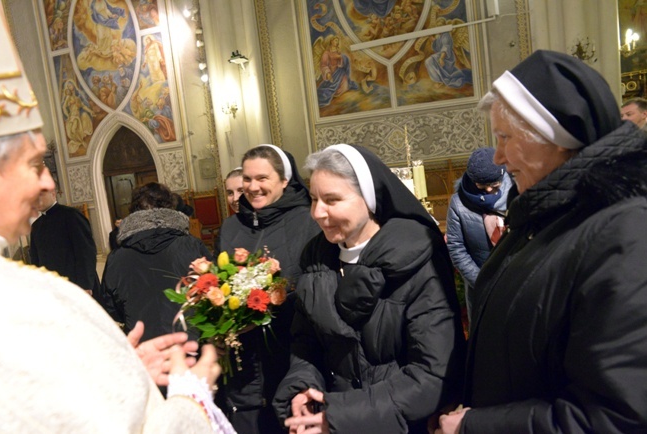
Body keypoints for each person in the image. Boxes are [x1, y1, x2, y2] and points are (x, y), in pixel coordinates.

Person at [0, 9, 234, 432]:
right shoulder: (16, 303)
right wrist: (191, 403)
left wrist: (116, 373)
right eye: (35, 164)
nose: (50, 180)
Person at [436, 50, 647, 433]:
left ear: (557, 140)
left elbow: (616, 418)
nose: (498, 157)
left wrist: (477, 426)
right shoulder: (541, 215)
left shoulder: (625, 235)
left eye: (505, 138)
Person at [274, 144, 465, 434]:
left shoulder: (417, 260)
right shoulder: (316, 260)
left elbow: (432, 373)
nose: (317, 212)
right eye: (313, 199)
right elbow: (306, 344)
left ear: (370, 199)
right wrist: (303, 388)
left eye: (332, 199)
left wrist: (341, 415)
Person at [214, 144, 320, 434]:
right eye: (247, 179)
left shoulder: (308, 220)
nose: (253, 187)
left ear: (284, 180)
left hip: (294, 349)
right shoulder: (231, 227)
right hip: (245, 360)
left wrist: (278, 300)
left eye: (262, 178)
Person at [99, 182, 212, 343]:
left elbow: (111, 308)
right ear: (171, 210)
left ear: (133, 213)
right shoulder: (192, 246)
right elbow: (213, 291)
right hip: (189, 345)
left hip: (145, 349)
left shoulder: (117, 257)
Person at [445, 147, 512, 321]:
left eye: (494, 185)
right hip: (480, 285)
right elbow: (456, 247)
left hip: (516, 280)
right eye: (482, 186)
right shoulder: (459, 203)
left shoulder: (516, 192)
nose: (489, 190)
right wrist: (481, 281)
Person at [29, 188, 101, 294]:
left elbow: (86, 252)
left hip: (77, 285)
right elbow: (35, 260)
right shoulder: (36, 226)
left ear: (53, 193)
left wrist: (85, 285)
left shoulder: (71, 215)